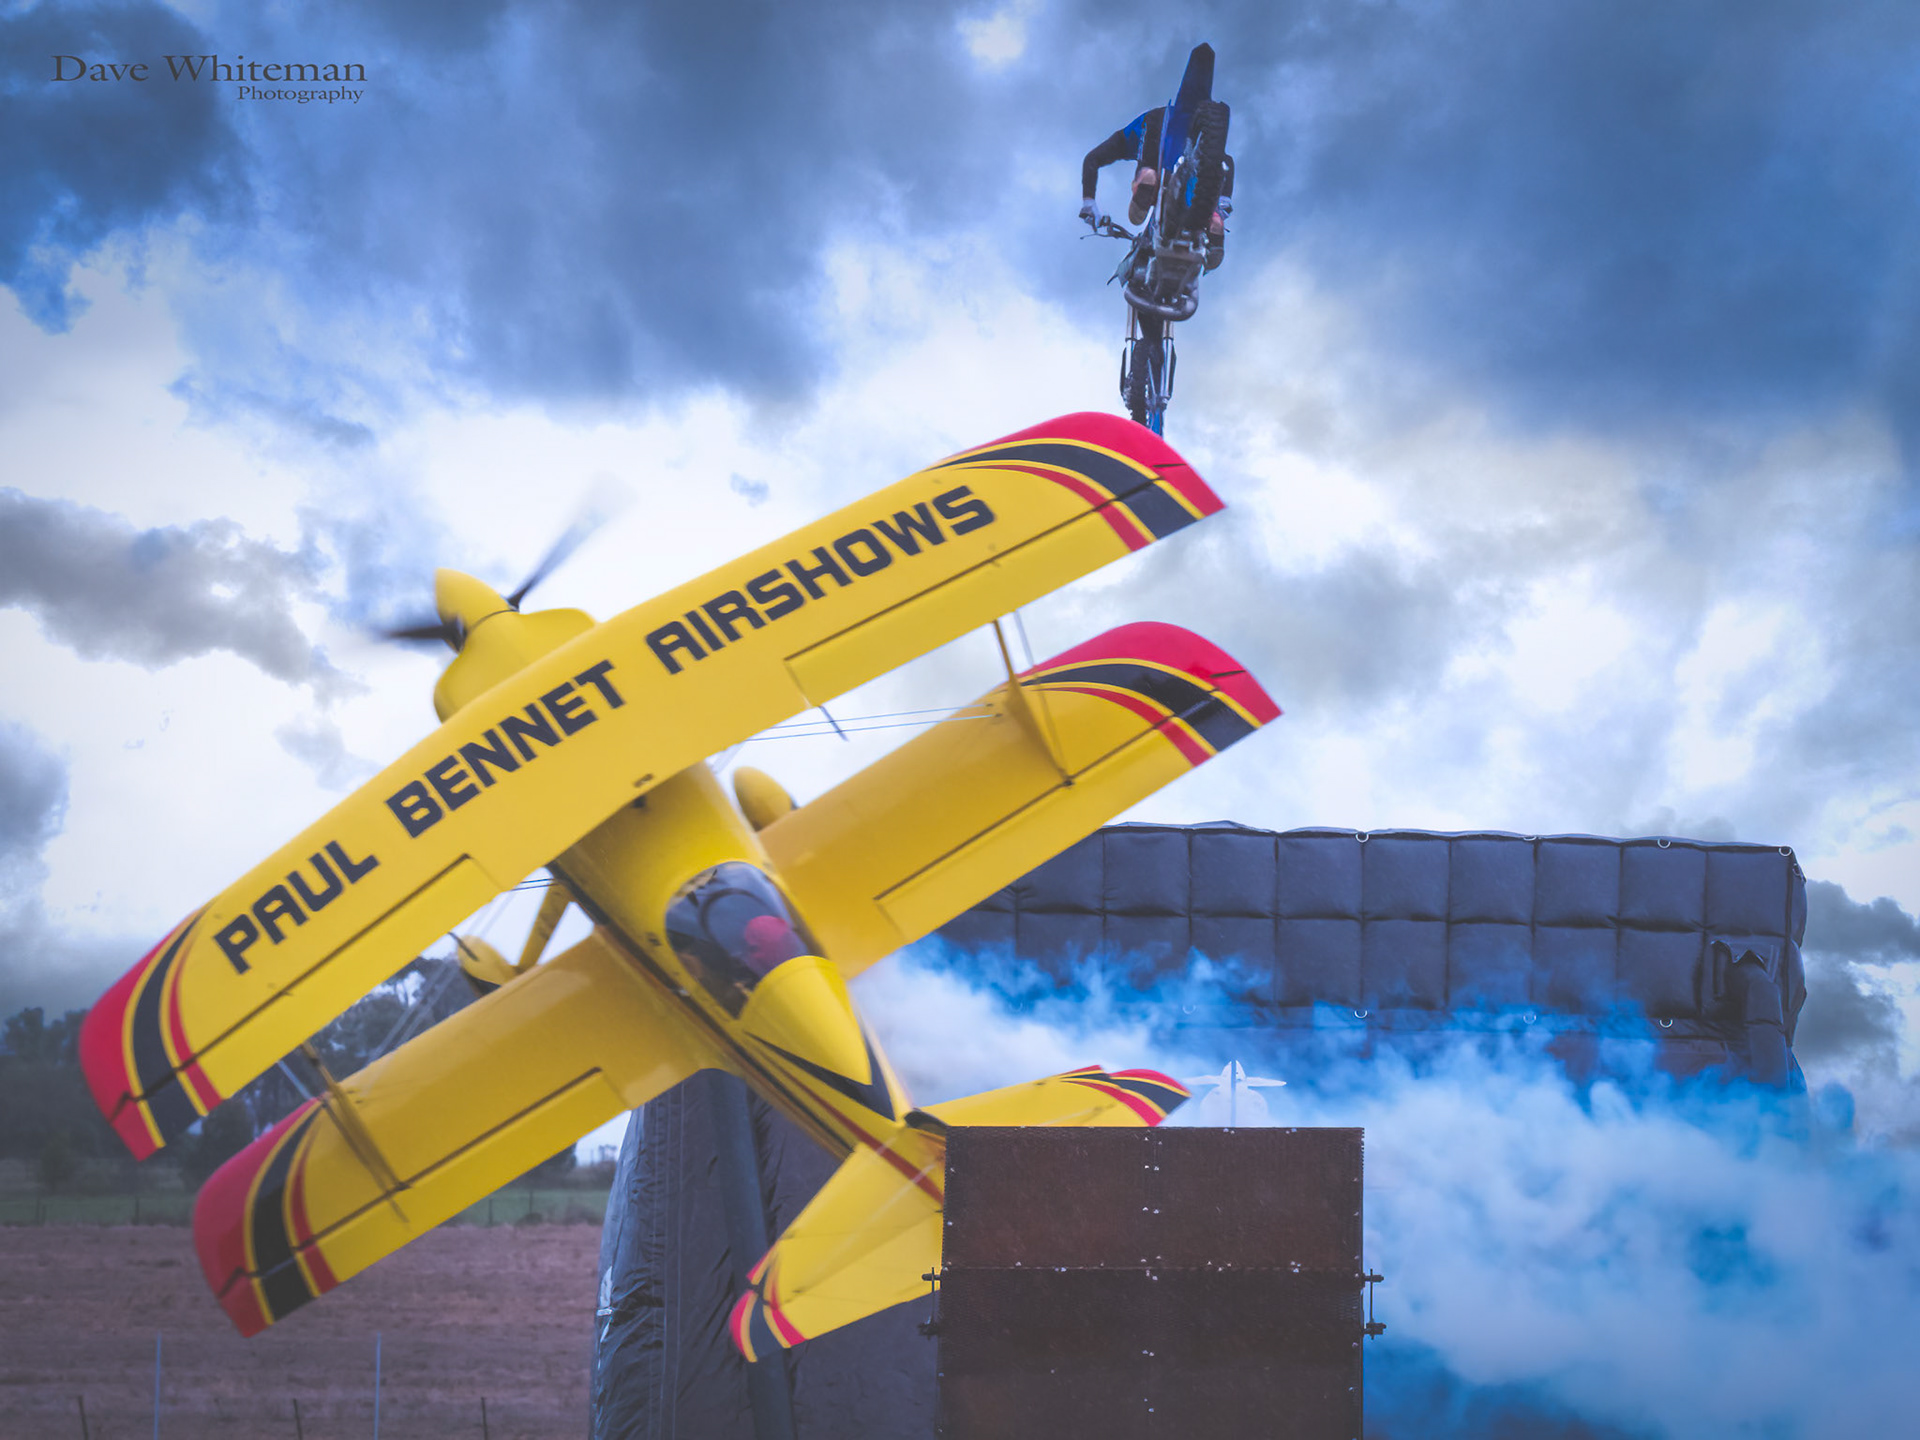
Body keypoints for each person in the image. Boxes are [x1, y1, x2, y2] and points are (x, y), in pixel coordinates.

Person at [1079, 96, 1233, 268]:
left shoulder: (1145, 124)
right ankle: (1214, 235)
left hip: (1159, 149)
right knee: (1215, 219)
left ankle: (1146, 185)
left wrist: (1089, 201)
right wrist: (1222, 205)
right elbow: (1226, 161)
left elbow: (1092, 159)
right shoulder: (1206, 138)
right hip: (1194, 175)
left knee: (1147, 183)